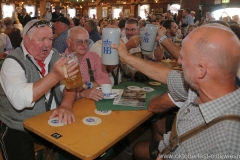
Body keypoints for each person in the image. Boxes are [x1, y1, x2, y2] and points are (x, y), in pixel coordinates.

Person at [111, 23, 240, 160]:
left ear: (201, 70)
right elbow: (167, 75)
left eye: (183, 57)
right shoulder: (203, 85)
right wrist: (127, 57)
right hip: (171, 146)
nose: (178, 61)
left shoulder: (229, 140)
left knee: (139, 148)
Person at [0, 19, 78, 160]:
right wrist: (54, 76)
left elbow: (70, 85)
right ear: (26, 40)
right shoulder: (12, 62)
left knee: (81, 143)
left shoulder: (55, 55)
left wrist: (66, 105)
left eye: (50, 39)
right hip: (19, 127)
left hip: (52, 121)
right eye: (42, 39)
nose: (47, 45)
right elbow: (19, 100)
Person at [66, 26, 111, 101]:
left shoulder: (93, 57)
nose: (84, 45)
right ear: (68, 42)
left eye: (86, 41)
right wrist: (82, 94)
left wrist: (87, 85)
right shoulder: (62, 60)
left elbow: (106, 81)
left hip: (92, 102)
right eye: (79, 42)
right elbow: (62, 93)